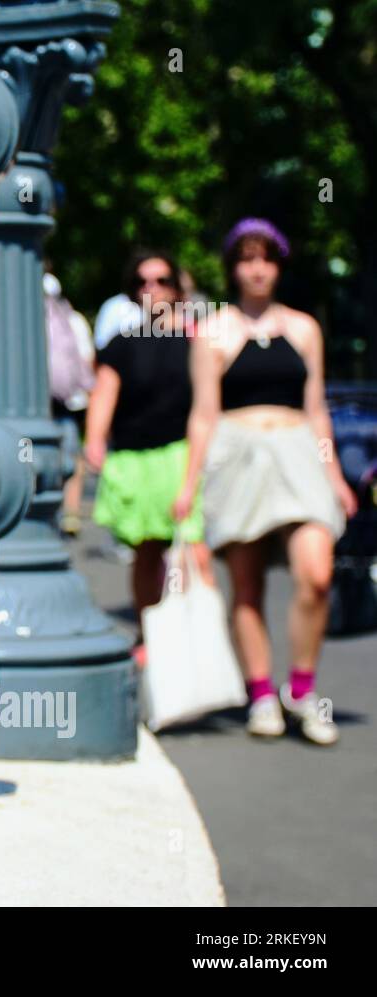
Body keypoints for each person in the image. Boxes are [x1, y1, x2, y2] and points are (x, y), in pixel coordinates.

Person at [174, 218, 357, 744]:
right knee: (247, 585)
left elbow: (317, 409)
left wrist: (335, 475)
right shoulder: (212, 331)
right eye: (247, 258)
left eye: (267, 257)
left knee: (315, 574)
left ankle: (300, 690)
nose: (258, 268)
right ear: (234, 267)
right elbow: (203, 415)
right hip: (237, 457)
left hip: (299, 452)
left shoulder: (304, 328)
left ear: (279, 265)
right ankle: (260, 695)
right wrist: (189, 486)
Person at [85, 249, 209, 661]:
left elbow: (210, 405)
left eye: (161, 281)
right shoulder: (121, 345)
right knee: (147, 552)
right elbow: (104, 394)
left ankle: (195, 635)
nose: (151, 289)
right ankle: (150, 632)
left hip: (183, 455)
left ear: (177, 288)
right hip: (137, 457)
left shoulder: (198, 341)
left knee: (194, 550)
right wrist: (95, 440)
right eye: (141, 282)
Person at [45, 271, 96, 535]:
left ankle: (43, 509)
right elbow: (87, 361)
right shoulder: (73, 320)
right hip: (70, 403)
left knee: (29, 454)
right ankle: (71, 513)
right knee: (72, 459)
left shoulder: (23, 321)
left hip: (37, 406)